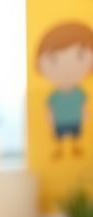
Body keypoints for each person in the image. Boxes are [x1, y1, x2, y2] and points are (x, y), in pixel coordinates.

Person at [35, 21, 93, 159]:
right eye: (53, 59)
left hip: (74, 119)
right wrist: (49, 118)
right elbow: (50, 107)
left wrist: (85, 114)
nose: (67, 68)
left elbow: (82, 104)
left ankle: (75, 146)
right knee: (59, 135)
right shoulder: (54, 95)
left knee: (75, 133)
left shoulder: (79, 92)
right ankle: (59, 148)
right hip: (60, 120)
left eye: (80, 55)